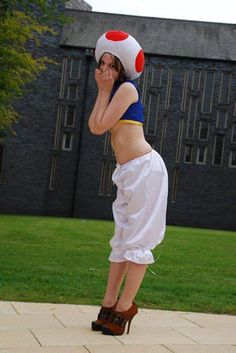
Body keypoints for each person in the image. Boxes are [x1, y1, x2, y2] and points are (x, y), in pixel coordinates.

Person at [88, 30, 168, 336]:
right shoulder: (111, 90)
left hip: (146, 171)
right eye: (102, 62)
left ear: (122, 67)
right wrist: (102, 89)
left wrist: (106, 89)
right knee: (121, 239)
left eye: (112, 64)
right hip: (128, 172)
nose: (105, 69)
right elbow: (95, 125)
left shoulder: (127, 91)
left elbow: (99, 127)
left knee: (136, 242)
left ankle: (125, 307)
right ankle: (109, 302)